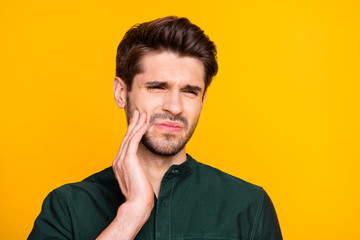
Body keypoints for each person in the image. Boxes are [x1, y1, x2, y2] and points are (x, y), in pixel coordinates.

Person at [28, 16, 282, 240]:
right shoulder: (66, 207)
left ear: (203, 100)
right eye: (157, 87)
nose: (174, 107)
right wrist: (132, 214)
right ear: (121, 92)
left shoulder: (249, 206)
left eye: (190, 92)